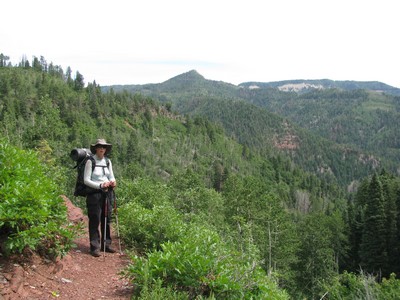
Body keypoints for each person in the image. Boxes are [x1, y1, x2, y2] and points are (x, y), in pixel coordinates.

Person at [84, 138, 117, 257]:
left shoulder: (108, 161)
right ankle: (95, 247)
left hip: (107, 193)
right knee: (95, 219)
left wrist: (113, 182)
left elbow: (111, 176)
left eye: (104, 147)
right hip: (94, 194)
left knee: (106, 219)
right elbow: (86, 180)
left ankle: (106, 244)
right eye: (100, 146)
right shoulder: (90, 161)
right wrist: (100, 185)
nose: (102, 149)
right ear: (96, 148)